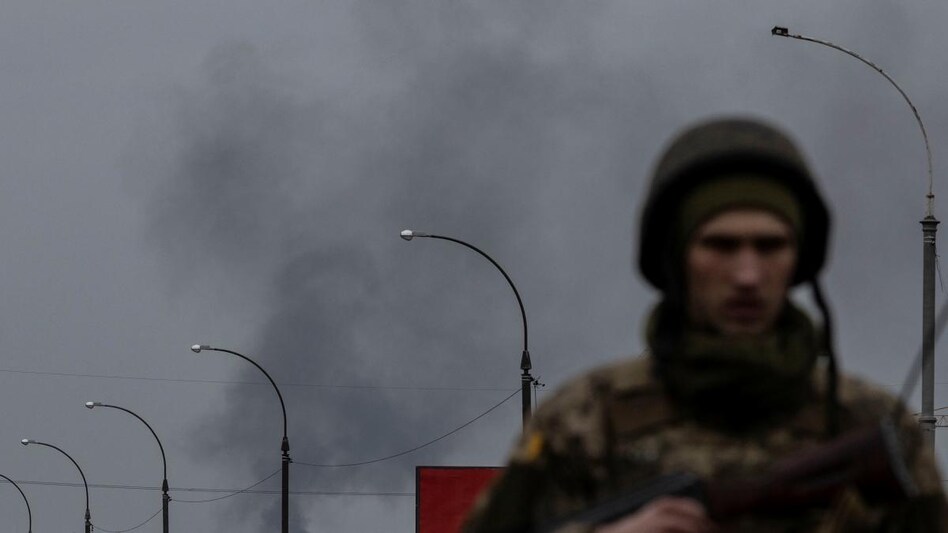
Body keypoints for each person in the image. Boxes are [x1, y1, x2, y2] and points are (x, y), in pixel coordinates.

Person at [462, 117, 948, 533]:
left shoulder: (867, 424)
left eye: (770, 245)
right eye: (720, 245)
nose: (747, 276)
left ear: (800, 258)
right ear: (676, 258)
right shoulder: (586, 420)